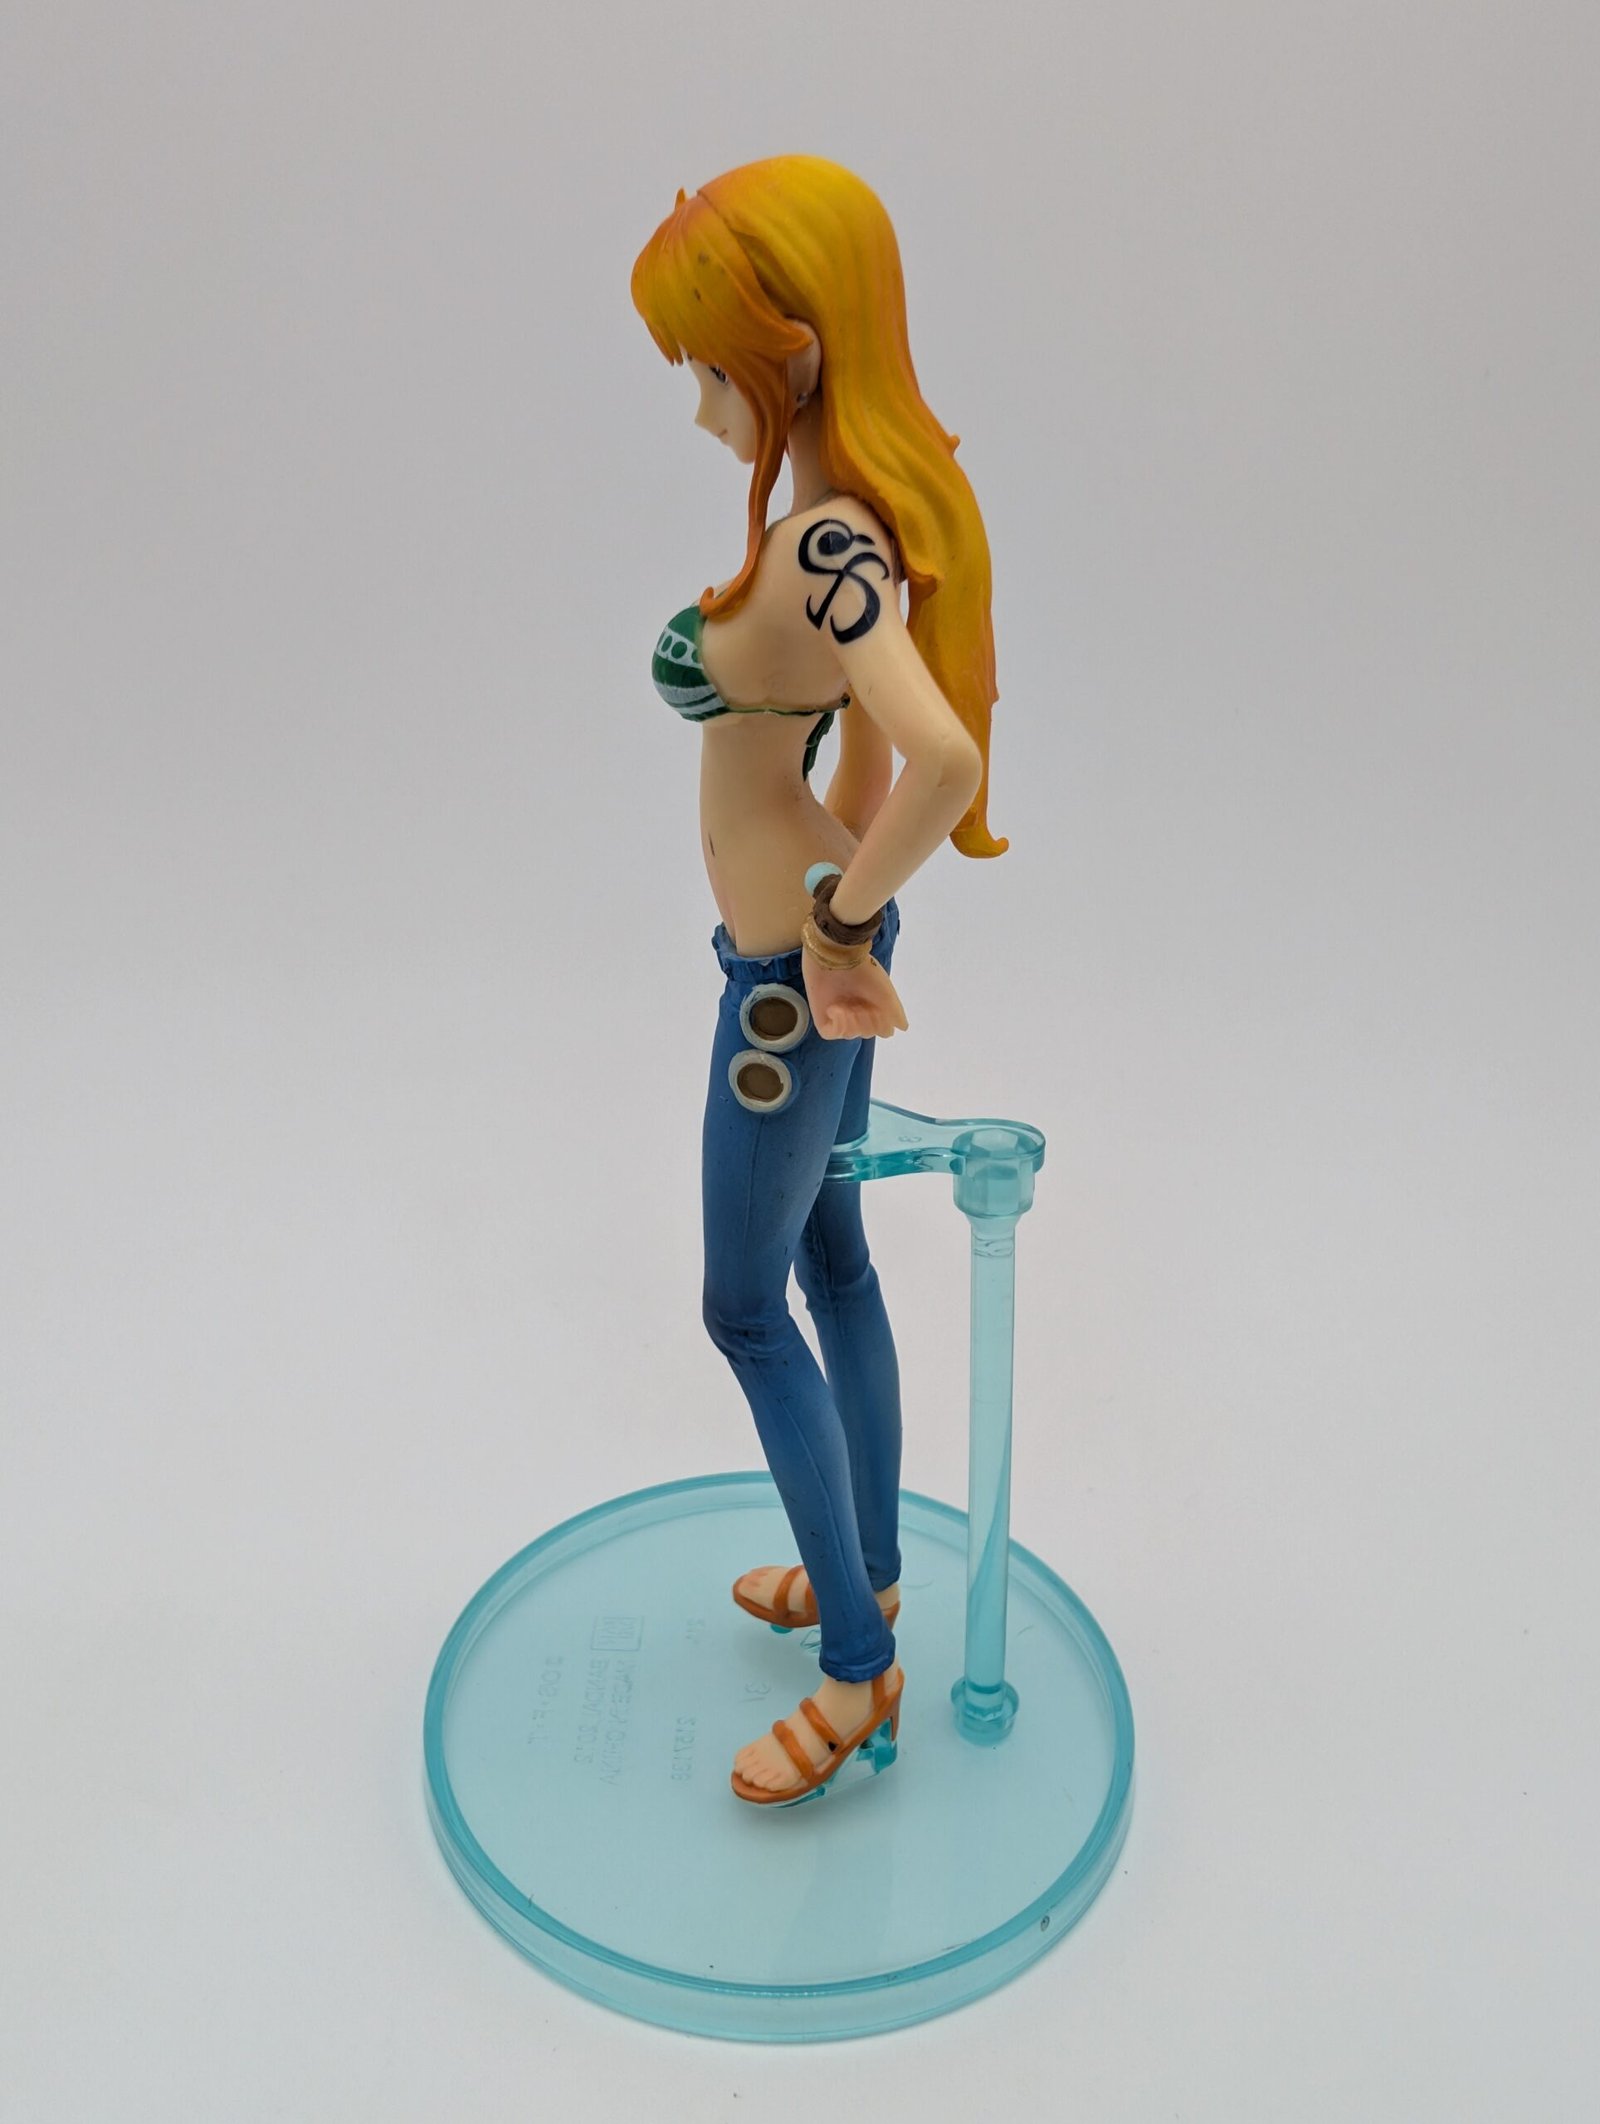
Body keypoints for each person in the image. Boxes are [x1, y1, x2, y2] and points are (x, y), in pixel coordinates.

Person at [631, 156, 1006, 1805]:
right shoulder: (828, 527)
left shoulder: (831, 540)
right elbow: (872, 744)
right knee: (833, 1263)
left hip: (784, 985)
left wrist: (844, 920)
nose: (700, 404)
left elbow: (938, 754)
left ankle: (857, 1668)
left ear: (783, 345)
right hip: (797, 950)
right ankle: (875, 1574)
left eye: (707, 367)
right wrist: (847, 889)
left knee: (745, 1306)